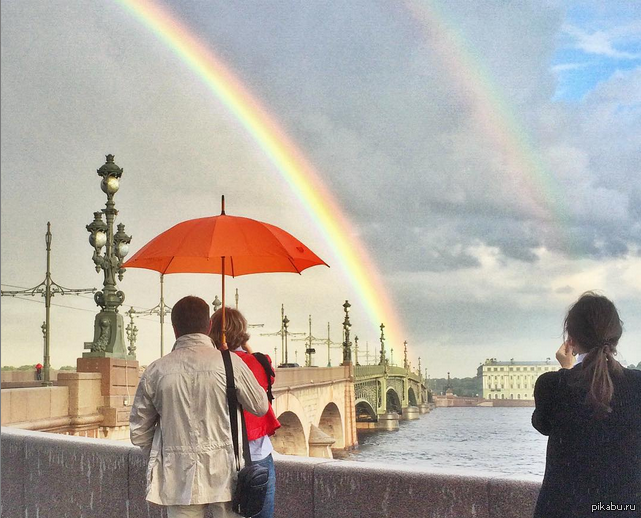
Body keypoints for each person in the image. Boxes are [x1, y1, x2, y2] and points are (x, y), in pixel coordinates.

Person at [130, 296, 268, 518]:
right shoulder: (229, 363)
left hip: (177, 481)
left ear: (175, 329)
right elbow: (260, 406)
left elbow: (138, 433)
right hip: (227, 478)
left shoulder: (156, 371)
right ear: (209, 326)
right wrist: (232, 365)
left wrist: (165, 456)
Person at [532, 292, 641, 518]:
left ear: (570, 339)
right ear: (616, 337)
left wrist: (567, 370)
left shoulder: (553, 385)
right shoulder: (638, 385)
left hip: (561, 511)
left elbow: (543, 424)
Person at [209, 307, 281, 518]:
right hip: (257, 454)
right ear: (242, 331)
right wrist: (242, 343)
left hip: (220, 453)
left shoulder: (212, 365)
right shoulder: (259, 361)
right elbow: (268, 376)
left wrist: (221, 350)